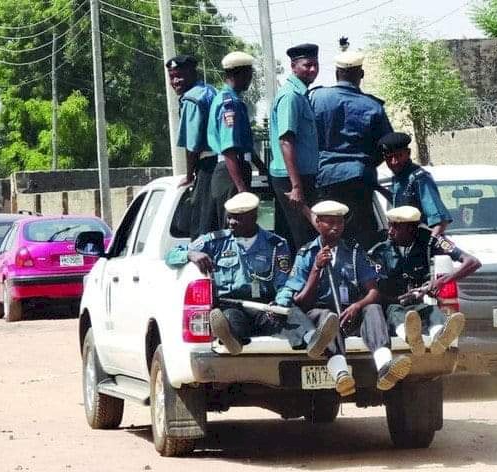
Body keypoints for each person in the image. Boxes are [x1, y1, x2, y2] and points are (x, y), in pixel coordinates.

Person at [165, 192, 339, 357]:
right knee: (231, 320)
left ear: (253, 216)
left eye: (237, 218)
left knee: (291, 315)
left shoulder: (276, 244)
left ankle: (313, 342)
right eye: (229, 216)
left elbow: (286, 282)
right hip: (232, 304)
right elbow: (171, 256)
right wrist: (191, 254)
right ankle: (231, 339)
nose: (231, 222)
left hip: (266, 305)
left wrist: (280, 303)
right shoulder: (215, 242)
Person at [276, 201, 412, 396]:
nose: (336, 227)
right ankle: (341, 374)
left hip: (350, 313)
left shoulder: (355, 252)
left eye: (340, 222)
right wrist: (316, 269)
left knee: (373, 308)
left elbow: (373, 291)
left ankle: (384, 367)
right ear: (318, 223)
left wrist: (358, 305)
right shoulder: (306, 254)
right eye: (330, 222)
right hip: (321, 315)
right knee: (327, 316)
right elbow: (301, 302)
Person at [309, 48, 393, 251]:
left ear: (337, 73)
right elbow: (387, 145)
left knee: (326, 235)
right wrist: (365, 163)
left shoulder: (316, 98)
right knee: (362, 238)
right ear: (361, 74)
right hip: (359, 179)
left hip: (325, 177)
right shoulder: (373, 106)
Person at [368, 206, 481, 355]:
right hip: (394, 304)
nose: (390, 231)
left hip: (420, 302)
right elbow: (374, 292)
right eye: (390, 225)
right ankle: (412, 339)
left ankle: (439, 338)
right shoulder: (380, 252)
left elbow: (472, 262)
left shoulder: (431, 240)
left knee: (433, 312)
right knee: (396, 314)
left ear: (412, 229)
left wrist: (440, 282)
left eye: (396, 227)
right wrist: (398, 299)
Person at [269, 43, 320, 251]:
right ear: (293, 66)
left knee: (299, 238)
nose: (313, 70)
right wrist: (296, 186)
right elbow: (285, 141)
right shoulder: (290, 96)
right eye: (307, 65)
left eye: (316, 65)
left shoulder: (301, 95)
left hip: (300, 177)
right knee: (304, 240)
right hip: (292, 179)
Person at [207, 51, 267, 230]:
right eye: (248, 74)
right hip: (230, 173)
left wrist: (261, 167)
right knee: (234, 228)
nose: (250, 79)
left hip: (236, 168)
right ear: (238, 74)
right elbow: (229, 149)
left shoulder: (234, 100)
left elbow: (244, 144)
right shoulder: (229, 104)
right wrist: (241, 188)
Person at [166, 55, 218, 239]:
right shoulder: (210, 90)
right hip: (225, 162)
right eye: (172, 77)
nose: (175, 81)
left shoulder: (192, 99)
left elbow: (192, 145)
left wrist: (189, 176)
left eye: (180, 76)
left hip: (209, 165)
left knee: (202, 228)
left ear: (192, 73)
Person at [378, 132, 452, 237]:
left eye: (398, 156)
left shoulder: (419, 178)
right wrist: (378, 188)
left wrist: (428, 245)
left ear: (408, 153)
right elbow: (401, 204)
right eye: (389, 158)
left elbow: (440, 222)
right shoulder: (398, 178)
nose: (394, 162)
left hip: (420, 244)